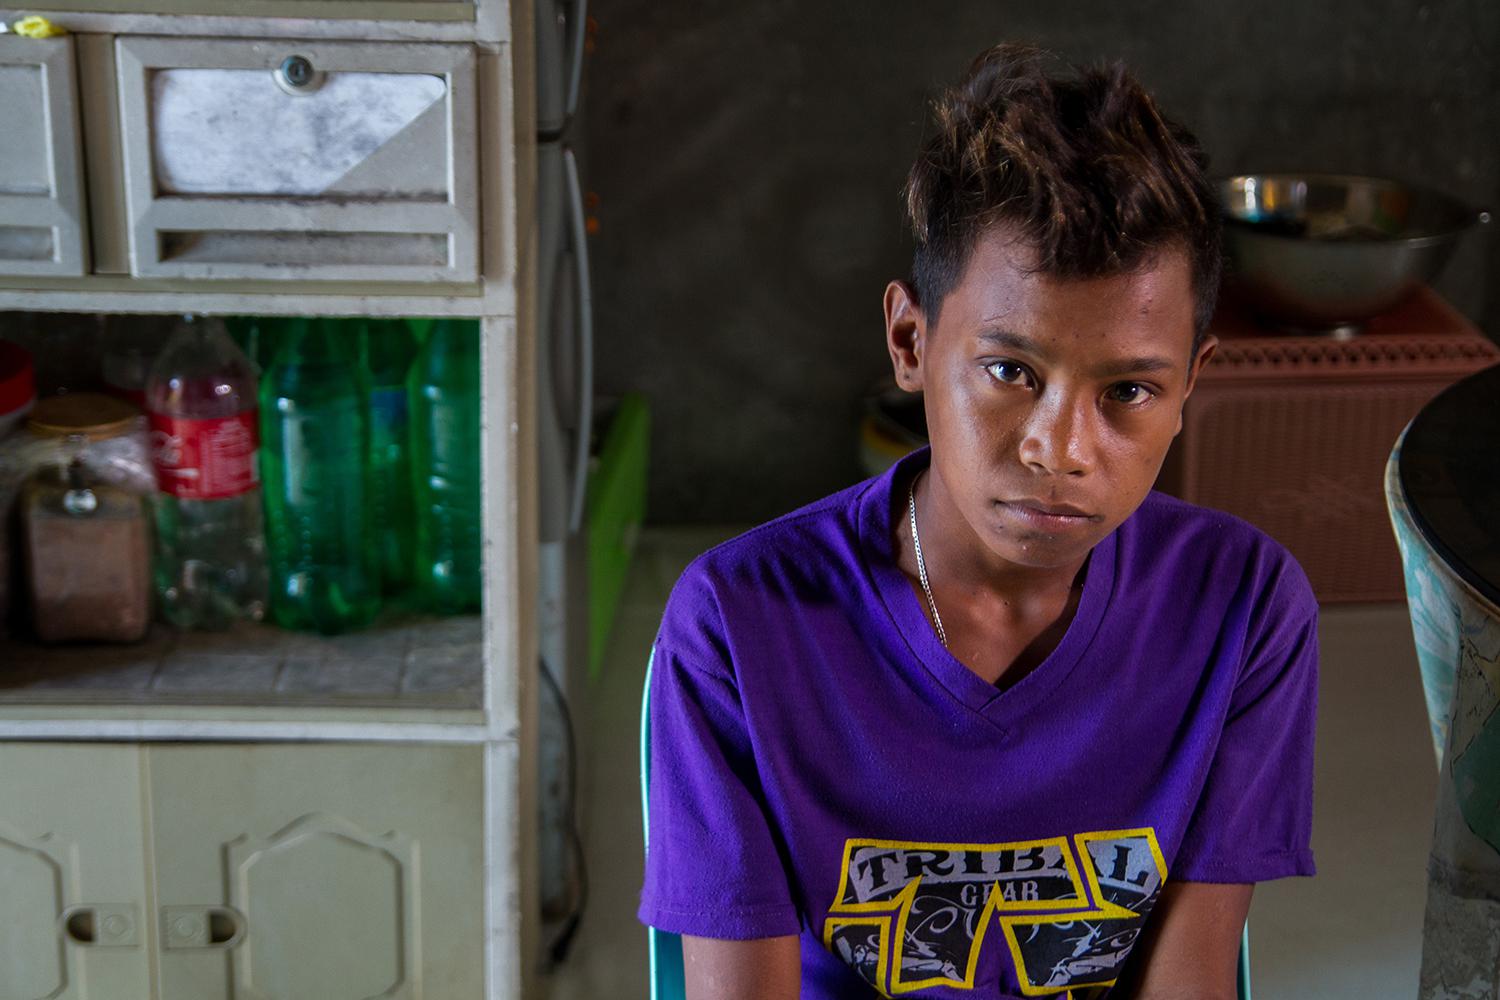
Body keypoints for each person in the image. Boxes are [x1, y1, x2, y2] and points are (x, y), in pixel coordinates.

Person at [639, 43, 1317, 1000]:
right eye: (1011, 372)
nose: (1061, 448)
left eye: (1128, 389)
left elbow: (1191, 979)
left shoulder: (1241, 607)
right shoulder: (741, 622)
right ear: (911, 342)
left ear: (1190, 386)